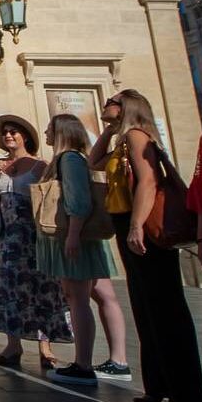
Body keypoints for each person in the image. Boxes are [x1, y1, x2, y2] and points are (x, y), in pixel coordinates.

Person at [92, 90, 202, 402]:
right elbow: (93, 162)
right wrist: (109, 129)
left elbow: (148, 183)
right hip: (128, 223)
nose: (105, 105)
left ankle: (184, 392)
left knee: (163, 308)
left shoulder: (138, 137)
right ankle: (158, 385)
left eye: (111, 101)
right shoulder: (123, 139)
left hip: (144, 228)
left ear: (126, 106)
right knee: (145, 307)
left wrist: (137, 226)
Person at [35, 113, 128, 387]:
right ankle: (118, 361)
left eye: (50, 128)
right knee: (104, 295)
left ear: (62, 132)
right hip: (84, 238)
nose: (46, 132)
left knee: (76, 297)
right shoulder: (75, 158)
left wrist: (73, 236)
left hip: (75, 238)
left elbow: (78, 201)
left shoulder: (68, 160)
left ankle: (84, 364)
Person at [0, 114, 69, 370]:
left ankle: (46, 347)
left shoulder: (39, 166)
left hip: (34, 236)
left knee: (41, 287)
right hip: (9, 238)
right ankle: (13, 346)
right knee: (9, 289)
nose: (8, 135)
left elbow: (50, 199)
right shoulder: (0, 165)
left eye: (14, 132)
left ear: (25, 136)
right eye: (6, 132)